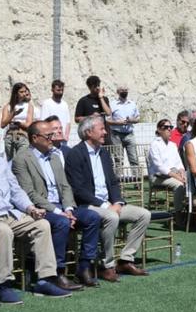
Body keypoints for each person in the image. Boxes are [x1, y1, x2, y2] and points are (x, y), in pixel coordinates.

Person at [0, 124, 73, 300]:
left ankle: (45, 279)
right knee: (3, 231)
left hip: (8, 214)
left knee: (42, 225)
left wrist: (30, 208)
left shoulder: (0, 162)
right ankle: (4, 284)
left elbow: (15, 190)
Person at [12, 121, 99, 286]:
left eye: (52, 135)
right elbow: (29, 193)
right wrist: (60, 213)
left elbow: (65, 186)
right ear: (35, 138)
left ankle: (84, 266)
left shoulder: (55, 157)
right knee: (61, 222)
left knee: (92, 217)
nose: (52, 138)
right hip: (41, 209)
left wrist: (69, 209)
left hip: (62, 207)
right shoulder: (21, 159)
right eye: (48, 136)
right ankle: (57, 272)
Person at [63, 116, 151, 278]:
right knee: (111, 216)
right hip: (87, 205)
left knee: (144, 214)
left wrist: (117, 202)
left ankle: (125, 260)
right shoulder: (75, 154)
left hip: (109, 204)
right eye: (102, 129)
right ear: (89, 132)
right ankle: (106, 265)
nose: (105, 132)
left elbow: (113, 182)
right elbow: (78, 190)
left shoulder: (103, 153)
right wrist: (105, 206)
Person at [147, 118, 188, 220]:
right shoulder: (154, 144)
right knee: (179, 184)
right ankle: (178, 213)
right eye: (166, 127)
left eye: (171, 127)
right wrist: (178, 177)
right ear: (159, 129)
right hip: (158, 176)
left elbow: (179, 163)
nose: (169, 129)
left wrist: (182, 173)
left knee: (191, 180)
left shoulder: (172, 145)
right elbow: (159, 167)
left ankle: (192, 210)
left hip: (173, 174)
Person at [1, 83, 40, 161]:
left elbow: (29, 124)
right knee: (11, 162)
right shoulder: (8, 106)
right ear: (16, 93)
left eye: (25, 91)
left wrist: (18, 123)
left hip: (23, 136)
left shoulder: (28, 106)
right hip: (10, 136)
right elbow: (2, 124)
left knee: (22, 161)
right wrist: (12, 114)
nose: (24, 94)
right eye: (21, 92)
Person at [73, 75, 113, 145]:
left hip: (104, 134)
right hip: (90, 136)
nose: (97, 88)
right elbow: (77, 119)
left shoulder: (104, 99)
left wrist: (101, 98)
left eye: (98, 85)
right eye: (95, 86)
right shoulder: (83, 101)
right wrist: (91, 117)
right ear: (90, 87)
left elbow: (108, 113)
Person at [107, 85, 140, 166]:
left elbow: (138, 118)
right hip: (116, 135)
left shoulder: (132, 104)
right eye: (122, 90)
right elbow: (107, 120)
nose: (124, 91)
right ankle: (119, 175)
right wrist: (118, 123)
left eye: (126, 90)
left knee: (134, 159)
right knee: (118, 160)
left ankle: (136, 174)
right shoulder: (112, 104)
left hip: (130, 134)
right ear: (118, 92)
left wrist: (132, 120)